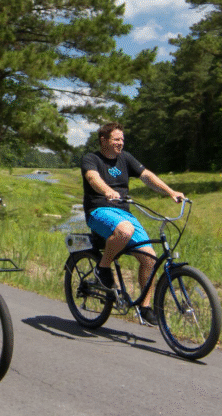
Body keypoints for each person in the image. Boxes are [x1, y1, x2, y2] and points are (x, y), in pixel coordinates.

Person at [81, 122, 186, 326]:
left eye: (122, 139)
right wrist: (107, 191)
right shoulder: (91, 159)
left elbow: (147, 176)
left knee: (150, 260)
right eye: (116, 139)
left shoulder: (125, 158)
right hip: (99, 210)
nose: (120, 143)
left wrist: (171, 192)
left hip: (124, 213)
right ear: (103, 140)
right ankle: (103, 269)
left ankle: (144, 307)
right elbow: (93, 178)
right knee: (125, 230)